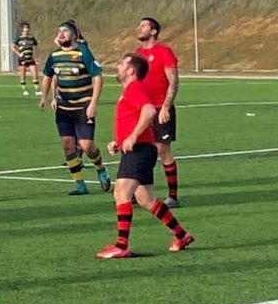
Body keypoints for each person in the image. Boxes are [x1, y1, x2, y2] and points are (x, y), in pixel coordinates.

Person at [97, 53, 193, 259]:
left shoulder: (134, 88)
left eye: (122, 63)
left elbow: (149, 111)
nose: (118, 66)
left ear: (131, 70)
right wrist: (121, 141)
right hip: (139, 148)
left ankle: (121, 245)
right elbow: (134, 117)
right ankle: (181, 235)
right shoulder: (130, 91)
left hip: (139, 150)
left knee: (121, 194)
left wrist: (132, 137)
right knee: (146, 199)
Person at [39, 22, 112, 195]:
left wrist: (93, 103)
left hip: (83, 106)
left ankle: (100, 168)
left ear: (73, 35)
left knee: (87, 146)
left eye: (65, 31)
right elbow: (47, 76)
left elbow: (98, 77)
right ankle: (80, 184)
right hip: (64, 108)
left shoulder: (83, 52)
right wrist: (45, 96)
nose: (61, 34)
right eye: (59, 31)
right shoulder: (54, 55)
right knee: (67, 145)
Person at [135, 16, 181, 204]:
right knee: (140, 151)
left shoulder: (164, 52)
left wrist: (165, 107)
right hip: (142, 111)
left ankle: (173, 196)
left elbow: (174, 81)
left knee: (162, 151)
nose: (139, 28)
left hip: (160, 108)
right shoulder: (137, 54)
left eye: (143, 25)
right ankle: (137, 194)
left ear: (153, 31)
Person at [15, 22, 40, 96]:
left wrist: (36, 56)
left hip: (30, 58)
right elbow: (12, 46)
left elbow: (36, 46)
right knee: (23, 74)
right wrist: (18, 53)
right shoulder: (18, 38)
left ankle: (37, 89)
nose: (27, 29)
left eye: (28, 28)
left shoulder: (31, 38)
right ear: (22, 29)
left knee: (35, 73)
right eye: (25, 28)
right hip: (22, 59)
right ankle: (24, 89)